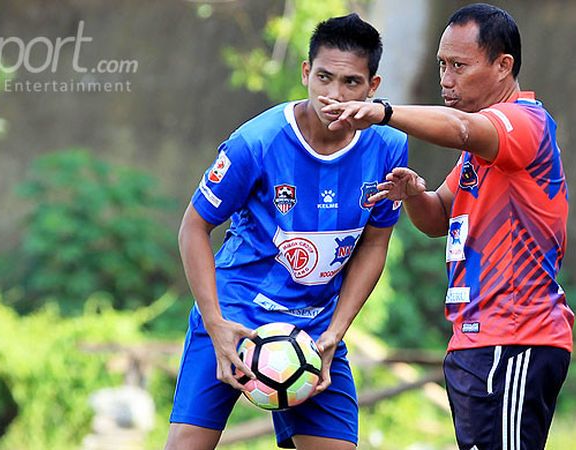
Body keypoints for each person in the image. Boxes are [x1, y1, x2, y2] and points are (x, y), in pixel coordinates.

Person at [320, 4, 574, 450]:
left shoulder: (522, 124)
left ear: (503, 66)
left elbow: (460, 128)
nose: (446, 78)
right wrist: (414, 194)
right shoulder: (480, 152)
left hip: (515, 339)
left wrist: (382, 111)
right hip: (475, 341)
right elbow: (438, 217)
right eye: (442, 64)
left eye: (459, 65)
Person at [165, 14, 408, 450]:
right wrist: (215, 322)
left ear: (373, 87)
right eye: (324, 78)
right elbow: (193, 228)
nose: (334, 95)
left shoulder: (389, 146)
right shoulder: (255, 142)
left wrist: (336, 332)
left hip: (313, 332)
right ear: (305, 73)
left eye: (351, 83)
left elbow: (376, 240)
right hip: (235, 315)